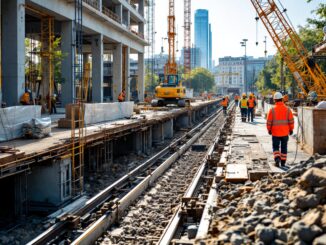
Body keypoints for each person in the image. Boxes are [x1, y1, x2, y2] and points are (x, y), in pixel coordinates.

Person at [266, 92, 294, 167]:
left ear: (274, 100)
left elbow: (269, 121)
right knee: (284, 147)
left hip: (275, 133)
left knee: (275, 147)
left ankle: (277, 158)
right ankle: (283, 162)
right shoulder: (288, 109)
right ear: (282, 99)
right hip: (285, 133)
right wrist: (291, 129)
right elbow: (291, 121)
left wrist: (269, 129)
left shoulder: (272, 110)